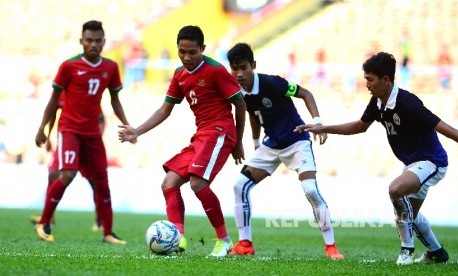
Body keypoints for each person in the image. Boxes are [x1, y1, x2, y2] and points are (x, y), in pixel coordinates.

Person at [295, 52, 458, 265]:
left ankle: (407, 249)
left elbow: (443, 127)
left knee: (395, 190)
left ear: (386, 80)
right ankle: (436, 252)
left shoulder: (408, 103)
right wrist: (324, 127)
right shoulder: (377, 102)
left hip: (432, 161)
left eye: (370, 79)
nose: (366, 84)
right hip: (413, 163)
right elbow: (359, 126)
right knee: (408, 214)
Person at [118, 25, 246, 257]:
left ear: (202, 49)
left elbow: (240, 103)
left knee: (198, 183)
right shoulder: (179, 74)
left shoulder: (215, 71)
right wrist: (137, 131)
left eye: (192, 52)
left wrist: (238, 141)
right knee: (169, 183)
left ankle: (224, 240)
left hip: (220, 131)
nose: (186, 57)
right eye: (182, 52)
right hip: (201, 135)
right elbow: (165, 109)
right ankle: (177, 237)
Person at [226, 43, 344, 260]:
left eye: (243, 67)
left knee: (310, 189)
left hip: (297, 141)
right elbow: (254, 113)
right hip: (271, 146)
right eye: (234, 68)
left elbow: (305, 93)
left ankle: (331, 247)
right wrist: (255, 142)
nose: (239, 74)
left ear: (253, 65)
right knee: (239, 185)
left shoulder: (273, 83)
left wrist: (317, 122)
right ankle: (245, 244)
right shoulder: (238, 91)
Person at [34, 20, 135, 244]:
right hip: (70, 130)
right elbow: (53, 101)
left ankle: (107, 232)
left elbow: (115, 101)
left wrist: (128, 125)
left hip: (92, 134)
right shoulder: (68, 66)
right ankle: (44, 222)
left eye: (97, 40)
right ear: (81, 41)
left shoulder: (110, 68)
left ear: (104, 42)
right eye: (88, 40)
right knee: (67, 174)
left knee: (102, 180)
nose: (93, 44)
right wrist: (43, 129)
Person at [31, 92, 104, 232]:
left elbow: (101, 117)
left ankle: (99, 220)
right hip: (67, 142)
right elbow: (53, 113)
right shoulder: (61, 93)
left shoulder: (86, 93)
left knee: (94, 181)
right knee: (53, 175)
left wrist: (97, 138)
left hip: (85, 145)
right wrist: (48, 135)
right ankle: (48, 219)